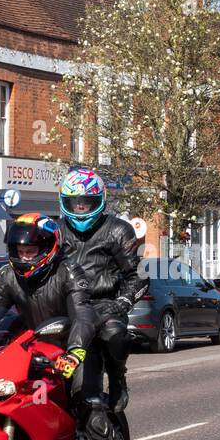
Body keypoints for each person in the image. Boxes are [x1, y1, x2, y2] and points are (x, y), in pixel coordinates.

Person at [0, 212, 139, 440]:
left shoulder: (69, 272)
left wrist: (75, 353)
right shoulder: (8, 275)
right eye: (19, 251)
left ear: (48, 248)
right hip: (34, 347)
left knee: (88, 404)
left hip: (75, 346)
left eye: (31, 251)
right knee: (2, 395)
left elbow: (84, 316)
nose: (24, 256)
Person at [57, 166, 145, 413]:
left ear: (99, 201)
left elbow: (135, 275)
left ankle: (117, 376)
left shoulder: (118, 230)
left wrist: (124, 301)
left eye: (86, 202)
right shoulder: (56, 230)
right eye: (75, 203)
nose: (80, 208)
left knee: (117, 335)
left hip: (104, 304)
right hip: (67, 304)